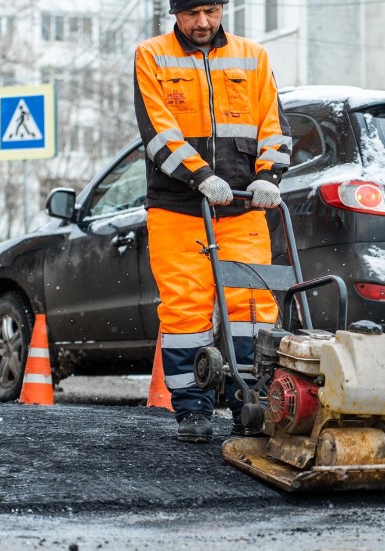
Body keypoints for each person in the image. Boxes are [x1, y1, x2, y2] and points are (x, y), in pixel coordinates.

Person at [134, 0, 292, 442]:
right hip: (177, 207)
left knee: (254, 308)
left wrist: (268, 176)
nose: (202, 23)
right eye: (191, 14)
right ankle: (193, 411)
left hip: (243, 207)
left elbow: (274, 125)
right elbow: (158, 131)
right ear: (175, 14)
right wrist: (199, 175)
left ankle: (253, 403)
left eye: (211, 11)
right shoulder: (152, 55)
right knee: (186, 308)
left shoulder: (252, 56)